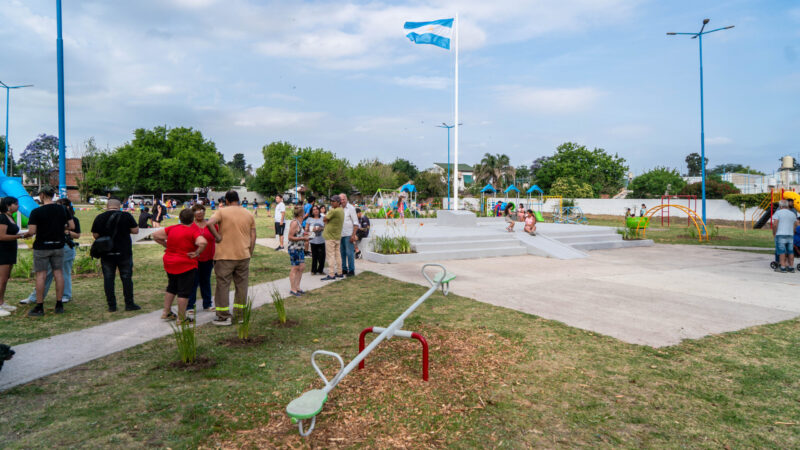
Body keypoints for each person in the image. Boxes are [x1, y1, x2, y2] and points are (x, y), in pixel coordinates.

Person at [206, 190, 256, 326]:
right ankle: (240, 316)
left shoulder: (222, 211)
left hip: (224, 256)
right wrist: (250, 252)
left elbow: (209, 223)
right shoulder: (248, 213)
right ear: (238, 199)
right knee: (241, 286)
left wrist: (217, 237)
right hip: (243, 255)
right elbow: (253, 235)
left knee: (223, 285)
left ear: (227, 201)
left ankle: (223, 316)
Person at [23, 186, 75, 317]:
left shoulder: (37, 211)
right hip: (58, 245)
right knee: (59, 274)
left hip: (42, 246)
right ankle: (59, 304)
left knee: (41, 275)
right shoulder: (63, 209)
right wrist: (60, 227)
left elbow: (32, 231)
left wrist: (24, 235)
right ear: (52, 195)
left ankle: (39, 306)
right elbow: (72, 226)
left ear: (41, 195)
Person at [152, 209, 207, 323]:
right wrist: (197, 252)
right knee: (184, 291)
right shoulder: (192, 231)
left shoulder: (172, 228)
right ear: (192, 219)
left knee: (171, 286)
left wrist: (166, 245)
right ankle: (181, 318)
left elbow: (156, 235)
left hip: (170, 262)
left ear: (180, 218)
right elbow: (202, 242)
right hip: (185, 264)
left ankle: (166, 312)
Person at [91, 198, 141, 312]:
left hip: (106, 252)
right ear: (120, 206)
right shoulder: (127, 216)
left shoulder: (100, 217)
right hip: (124, 252)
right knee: (126, 277)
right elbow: (135, 231)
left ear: (107, 206)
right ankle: (129, 304)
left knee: (108, 278)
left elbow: (95, 235)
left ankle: (112, 305)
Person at [187, 204, 217, 313]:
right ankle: (190, 306)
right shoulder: (190, 225)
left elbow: (217, 239)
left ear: (204, 212)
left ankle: (207, 304)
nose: (199, 213)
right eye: (196, 211)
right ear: (193, 214)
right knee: (193, 282)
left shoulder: (211, 224)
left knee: (206, 281)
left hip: (209, 258)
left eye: (201, 210)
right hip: (194, 258)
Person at [0, 197, 24, 317]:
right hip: (2, 251)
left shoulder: (10, 217)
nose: (18, 206)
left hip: (10, 250)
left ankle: (1, 302)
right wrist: (20, 237)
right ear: (8, 205)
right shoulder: (2, 218)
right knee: (2, 279)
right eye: (16, 204)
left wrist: (23, 234)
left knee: (6, 278)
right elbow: (2, 236)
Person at [287, 205, 310, 296]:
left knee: (302, 267)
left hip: (300, 248)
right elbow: (290, 237)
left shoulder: (299, 222)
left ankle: (297, 287)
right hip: (294, 249)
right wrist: (303, 238)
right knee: (295, 268)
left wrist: (306, 234)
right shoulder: (294, 223)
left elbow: (298, 233)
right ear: (301, 213)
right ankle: (293, 289)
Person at [321, 196, 344, 281]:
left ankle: (331, 274)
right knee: (338, 255)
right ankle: (339, 272)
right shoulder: (341, 210)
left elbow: (324, 218)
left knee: (330, 256)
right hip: (337, 236)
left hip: (330, 237)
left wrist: (327, 220)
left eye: (333, 201)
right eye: (331, 201)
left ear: (338, 202)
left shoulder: (333, 211)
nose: (332, 202)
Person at [772, 200, 798, 273]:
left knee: (782, 251)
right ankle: (791, 267)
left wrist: (774, 233)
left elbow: (775, 224)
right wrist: (792, 232)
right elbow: (795, 224)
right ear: (787, 205)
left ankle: (783, 267)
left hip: (780, 234)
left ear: (780, 206)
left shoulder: (778, 213)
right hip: (790, 235)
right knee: (790, 251)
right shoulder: (792, 214)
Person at [340, 193, 359, 277]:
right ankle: (344, 269)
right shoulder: (338, 208)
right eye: (340, 199)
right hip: (340, 235)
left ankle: (351, 270)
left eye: (343, 199)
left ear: (346, 199)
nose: (342, 201)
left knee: (350, 253)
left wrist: (353, 235)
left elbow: (356, 223)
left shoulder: (351, 208)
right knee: (342, 253)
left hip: (349, 234)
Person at [307, 205, 326, 275]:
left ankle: (320, 270)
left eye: (317, 209)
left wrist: (321, 228)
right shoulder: (309, 219)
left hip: (321, 240)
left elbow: (326, 226)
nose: (316, 210)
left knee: (322, 256)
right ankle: (313, 270)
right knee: (314, 256)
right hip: (313, 240)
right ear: (312, 211)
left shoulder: (323, 218)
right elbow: (306, 229)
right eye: (314, 209)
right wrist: (312, 229)